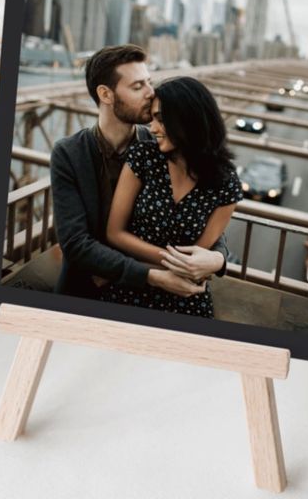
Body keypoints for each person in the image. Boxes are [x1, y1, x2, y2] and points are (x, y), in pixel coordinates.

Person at [51, 45, 230, 301]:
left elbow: (200, 209)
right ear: (106, 94)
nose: (151, 93)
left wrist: (218, 257)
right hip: (84, 292)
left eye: (149, 82)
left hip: (146, 296)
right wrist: (153, 275)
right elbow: (75, 244)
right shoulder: (69, 154)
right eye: (137, 87)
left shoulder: (162, 144)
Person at [102, 76, 243, 318]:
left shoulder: (226, 184)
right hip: (131, 285)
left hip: (185, 297)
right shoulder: (144, 157)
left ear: (189, 121)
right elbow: (114, 233)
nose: (152, 128)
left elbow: (196, 260)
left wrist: (211, 262)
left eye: (161, 119)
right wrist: (170, 263)